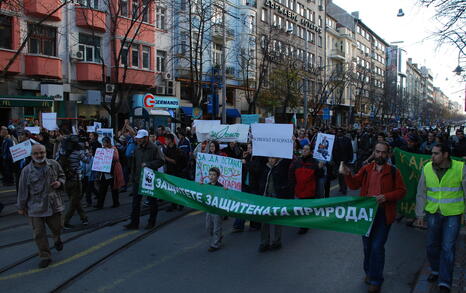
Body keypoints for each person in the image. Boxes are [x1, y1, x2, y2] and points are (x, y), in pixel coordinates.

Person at [340, 142, 406, 293]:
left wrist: (386, 197)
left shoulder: (394, 171)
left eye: (383, 153)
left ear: (388, 155)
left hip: (383, 214)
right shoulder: (367, 169)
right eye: (377, 152)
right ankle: (369, 273)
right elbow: (354, 185)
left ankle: (376, 279)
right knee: (367, 246)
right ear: (374, 152)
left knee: (377, 247)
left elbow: (402, 191)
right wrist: (347, 174)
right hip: (366, 214)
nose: (380, 155)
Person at [414, 144, 465, 293]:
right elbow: (421, 192)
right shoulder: (427, 168)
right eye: (432, 153)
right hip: (433, 213)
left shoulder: (460, 168)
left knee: (448, 248)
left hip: (453, 214)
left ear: (445, 154)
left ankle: (445, 281)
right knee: (431, 245)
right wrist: (419, 215)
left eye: (436, 153)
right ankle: (435, 270)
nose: (432, 156)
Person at [17, 144, 66, 268]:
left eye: (42, 153)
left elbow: (62, 176)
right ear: (32, 155)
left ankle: (57, 238)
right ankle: (45, 256)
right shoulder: (26, 171)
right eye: (36, 153)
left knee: (58, 227)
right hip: (35, 206)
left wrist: (59, 183)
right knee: (38, 233)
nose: (39, 155)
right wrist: (21, 207)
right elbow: (22, 190)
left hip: (53, 204)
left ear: (45, 152)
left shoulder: (54, 164)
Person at [125, 129, 165, 230]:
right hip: (137, 178)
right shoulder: (138, 148)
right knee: (135, 202)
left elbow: (161, 160)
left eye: (140, 138)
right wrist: (133, 176)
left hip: (149, 179)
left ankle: (151, 222)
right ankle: (134, 223)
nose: (138, 140)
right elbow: (134, 162)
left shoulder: (154, 148)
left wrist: (149, 165)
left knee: (152, 202)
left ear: (146, 138)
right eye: (138, 138)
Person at [258, 157, 291, 252]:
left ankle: (277, 241)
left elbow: (288, 160)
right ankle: (264, 242)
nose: (271, 160)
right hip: (266, 197)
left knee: (277, 220)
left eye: (273, 158)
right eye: (269, 158)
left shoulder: (281, 167)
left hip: (277, 197)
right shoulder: (264, 168)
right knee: (264, 220)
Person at [288, 144, 324, 234]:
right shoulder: (297, 161)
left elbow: (319, 176)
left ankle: (304, 226)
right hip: (299, 189)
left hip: (309, 190)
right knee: (299, 209)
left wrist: (320, 168)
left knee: (306, 209)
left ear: (310, 152)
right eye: (303, 149)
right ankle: (303, 223)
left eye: (306, 149)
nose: (304, 151)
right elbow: (291, 173)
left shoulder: (315, 162)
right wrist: (292, 185)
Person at [57, 135, 91, 229]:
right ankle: (65, 222)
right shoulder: (78, 152)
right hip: (76, 180)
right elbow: (87, 160)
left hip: (65, 180)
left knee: (75, 201)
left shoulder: (62, 152)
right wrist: (87, 150)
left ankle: (84, 218)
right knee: (73, 203)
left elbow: (56, 160)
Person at [95, 137, 125, 209]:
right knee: (102, 188)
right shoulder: (102, 149)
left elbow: (116, 158)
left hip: (112, 171)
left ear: (108, 143)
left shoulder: (113, 148)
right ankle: (100, 204)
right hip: (104, 171)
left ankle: (116, 202)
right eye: (103, 143)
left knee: (114, 188)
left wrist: (108, 152)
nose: (103, 144)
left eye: (104, 143)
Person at [205, 167, 224, 252]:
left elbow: (223, 197)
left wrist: (225, 191)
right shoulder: (207, 186)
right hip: (209, 209)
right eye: (210, 174)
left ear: (218, 176)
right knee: (209, 227)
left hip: (217, 211)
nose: (211, 176)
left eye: (214, 175)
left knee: (216, 227)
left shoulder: (220, 187)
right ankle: (218, 236)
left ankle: (215, 244)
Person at [332, 128, 353, 195]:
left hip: (344, 160)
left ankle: (344, 188)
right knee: (339, 175)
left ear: (343, 132)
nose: (339, 133)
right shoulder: (334, 139)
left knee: (343, 174)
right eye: (338, 131)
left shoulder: (347, 140)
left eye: (340, 132)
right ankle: (341, 187)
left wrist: (350, 158)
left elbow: (350, 149)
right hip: (337, 160)